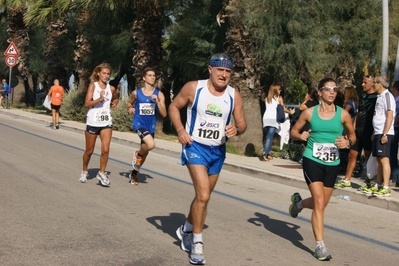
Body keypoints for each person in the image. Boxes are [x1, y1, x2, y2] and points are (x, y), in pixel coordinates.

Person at [169, 53, 246, 265]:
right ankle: (197, 243)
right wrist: (180, 130)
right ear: (209, 69)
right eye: (220, 70)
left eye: (228, 71)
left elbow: (242, 123)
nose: (224, 74)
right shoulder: (194, 88)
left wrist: (236, 129)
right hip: (195, 147)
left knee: (204, 197)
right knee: (202, 195)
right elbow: (174, 107)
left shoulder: (233, 95)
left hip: (217, 152)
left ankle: (185, 228)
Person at [289, 77, 355, 261]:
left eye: (334, 89)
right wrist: (300, 135)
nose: (332, 92)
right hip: (312, 160)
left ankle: (299, 204)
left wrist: (347, 142)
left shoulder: (343, 115)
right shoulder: (309, 113)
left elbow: (353, 136)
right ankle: (320, 246)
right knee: (319, 203)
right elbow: (293, 131)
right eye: (327, 89)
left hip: (333, 164)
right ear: (319, 92)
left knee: (321, 204)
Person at [334, 75, 377, 189]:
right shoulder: (363, 96)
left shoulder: (377, 97)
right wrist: (353, 126)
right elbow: (358, 113)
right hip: (359, 129)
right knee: (352, 154)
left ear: (373, 84)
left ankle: (368, 181)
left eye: (365, 82)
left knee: (368, 155)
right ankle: (347, 179)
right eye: (362, 82)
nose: (362, 84)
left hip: (369, 130)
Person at [79, 63, 118, 186]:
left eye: (108, 74)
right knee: (89, 151)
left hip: (106, 122)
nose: (106, 76)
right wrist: (98, 100)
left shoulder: (111, 88)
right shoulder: (93, 86)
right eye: (104, 73)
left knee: (105, 149)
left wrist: (115, 103)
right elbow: (87, 104)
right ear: (98, 73)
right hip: (93, 121)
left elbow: (115, 97)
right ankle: (85, 170)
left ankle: (101, 173)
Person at [127, 67, 167, 185]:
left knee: (146, 151)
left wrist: (158, 102)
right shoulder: (137, 93)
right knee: (151, 144)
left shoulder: (159, 94)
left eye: (154, 75)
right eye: (149, 75)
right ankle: (136, 154)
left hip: (151, 125)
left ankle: (134, 173)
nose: (152, 77)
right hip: (139, 123)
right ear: (144, 78)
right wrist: (130, 108)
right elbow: (130, 102)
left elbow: (164, 114)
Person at [361, 74, 395, 196]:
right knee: (379, 159)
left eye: (375, 82)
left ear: (380, 84)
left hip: (384, 132)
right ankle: (379, 184)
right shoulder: (379, 97)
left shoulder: (387, 96)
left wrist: (385, 133)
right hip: (377, 132)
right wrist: (374, 132)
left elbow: (390, 115)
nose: (373, 84)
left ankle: (386, 186)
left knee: (384, 159)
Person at [262, 84, 295, 161]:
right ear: (275, 90)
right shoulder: (279, 98)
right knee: (270, 137)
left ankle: (268, 153)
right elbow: (283, 108)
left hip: (266, 118)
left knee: (268, 136)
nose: (280, 91)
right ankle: (264, 153)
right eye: (279, 89)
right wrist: (290, 112)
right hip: (273, 119)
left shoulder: (267, 99)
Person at [389, 81, 399, 187]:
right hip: (394, 129)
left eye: (392, 87)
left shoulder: (398, 100)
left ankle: (395, 177)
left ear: (395, 88)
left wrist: (394, 122)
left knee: (393, 153)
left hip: (396, 129)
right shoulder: (394, 100)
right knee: (392, 153)